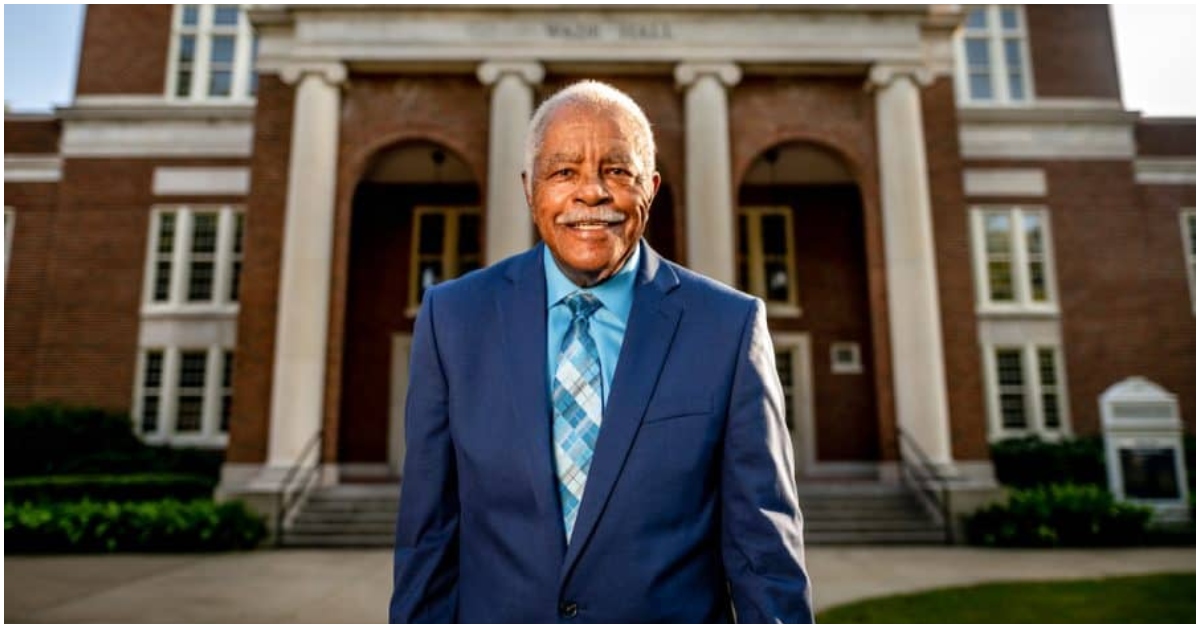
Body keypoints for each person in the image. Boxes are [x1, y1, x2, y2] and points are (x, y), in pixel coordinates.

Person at [390, 80, 812, 623]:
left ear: (651, 188)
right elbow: (428, 535)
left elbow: (764, 552)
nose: (591, 193)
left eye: (616, 170)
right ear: (529, 189)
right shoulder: (453, 319)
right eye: (563, 172)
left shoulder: (728, 328)